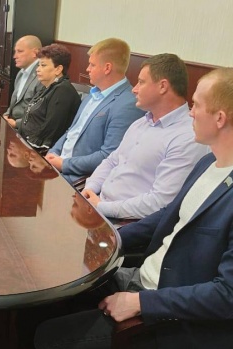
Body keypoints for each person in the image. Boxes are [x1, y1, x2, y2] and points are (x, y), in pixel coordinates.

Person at [35, 68, 233, 349]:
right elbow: (165, 219)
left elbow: (226, 295)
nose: (190, 112)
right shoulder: (208, 164)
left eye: (196, 105)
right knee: (50, 301)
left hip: (181, 324)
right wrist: (102, 241)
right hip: (144, 279)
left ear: (220, 118)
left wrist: (141, 302)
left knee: (49, 339)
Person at [82, 54, 209, 219]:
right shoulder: (141, 122)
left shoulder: (188, 137)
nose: (134, 89)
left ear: (163, 86)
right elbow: (112, 161)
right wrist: (90, 188)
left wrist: (102, 207)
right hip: (100, 203)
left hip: (127, 222)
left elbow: (160, 202)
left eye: (141, 82)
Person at [45, 38, 145, 183]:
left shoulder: (128, 104)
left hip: (78, 179)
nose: (87, 69)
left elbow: (108, 155)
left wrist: (64, 164)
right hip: (57, 166)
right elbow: (71, 131)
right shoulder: (93, 94)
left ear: (107, 68)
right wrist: (53, 152)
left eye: (92, 65)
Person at [15, 43, 81, 148]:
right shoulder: (47, 86)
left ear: (58, 69)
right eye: (38, 65)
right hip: (25, 142)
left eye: (43, 65)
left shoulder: (62, 91)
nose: (37, 69)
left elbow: (50, 133)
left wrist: (26, 148)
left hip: (39, 150)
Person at [3, 35, 42, 129]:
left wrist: (16, 124)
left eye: (20, 51)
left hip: (26, 128)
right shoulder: (21, 73)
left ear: (35, 53)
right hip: (11, 122)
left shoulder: (41, 75)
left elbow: (39, 113)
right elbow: (15, 102)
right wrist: (6, 115)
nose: (15, 56)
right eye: (15, 51)